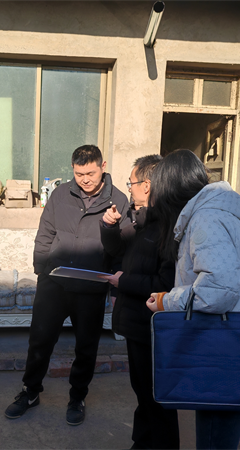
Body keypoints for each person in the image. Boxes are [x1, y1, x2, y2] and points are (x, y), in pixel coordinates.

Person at [145, 149, 240, 450]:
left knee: (215, 438)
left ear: (170, 191)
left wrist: (168, 301)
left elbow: (218, 291)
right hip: (232, 346)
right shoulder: (212, 213)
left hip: (227, 351)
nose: (153, 201)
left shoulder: (206, 219)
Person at [4, 144, 130, 426]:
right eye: (79, 174)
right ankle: (30, 391)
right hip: (54, 284)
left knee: (86, 346)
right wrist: (41, 271)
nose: (85, 180)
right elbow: (45, 234)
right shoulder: (61, 194)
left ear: (103, 167)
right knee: (39, 340)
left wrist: (114, 288)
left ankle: (77, 397)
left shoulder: (119, 201)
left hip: (91, 287)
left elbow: (122, 250)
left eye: (90, 173)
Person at [99, 154, 179, 450]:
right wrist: (109, 227)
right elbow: (118, 250)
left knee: (156, 399)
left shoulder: (167, 228)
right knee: (144, 394)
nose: (129, 189)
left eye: (131, 183)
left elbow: (165, 286)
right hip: (137, 324)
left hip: (153, 327)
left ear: (147, 185)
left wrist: (124, 282)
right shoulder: (143, 222)